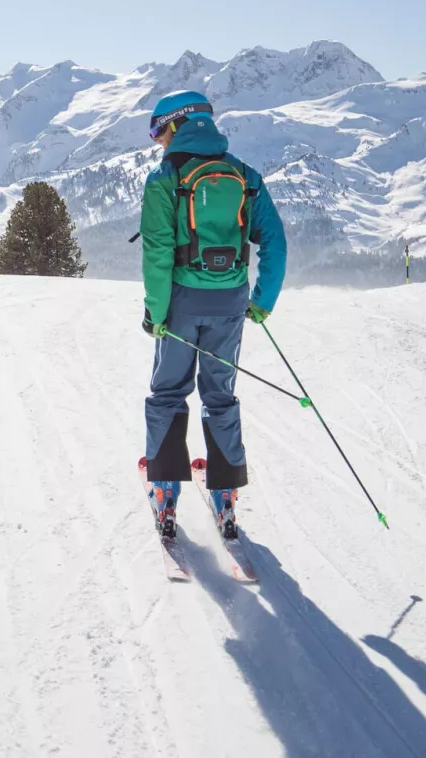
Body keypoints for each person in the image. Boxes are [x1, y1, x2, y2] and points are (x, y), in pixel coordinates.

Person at [138, 90, 287, 539]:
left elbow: (158, 254)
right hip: (231, 303)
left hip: (180, 304)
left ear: (179, 124)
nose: (158, 141)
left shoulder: (164, 179)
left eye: (159, 130)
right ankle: (226, 500)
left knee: (167, 393)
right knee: (219, 395)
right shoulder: (244, 175)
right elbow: (275, 242)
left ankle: (165, 496)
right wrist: (261, 301)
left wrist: (156, 313)